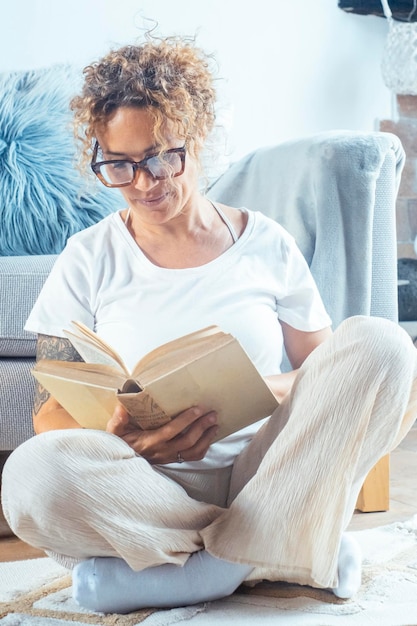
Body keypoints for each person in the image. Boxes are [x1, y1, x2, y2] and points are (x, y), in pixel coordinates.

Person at [2, 35, 417, 615]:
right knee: (30, 473)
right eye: (119, 165)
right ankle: (281, 549)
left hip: (267, 471)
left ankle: (207, 571)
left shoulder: (266, 243)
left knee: (383, 346)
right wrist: (119, 436)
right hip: (148, 486)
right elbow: (49, 410)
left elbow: (325, 373)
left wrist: (245, 393)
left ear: (195, 137)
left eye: (161, 157)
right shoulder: (86, 256)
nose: (145, 182)